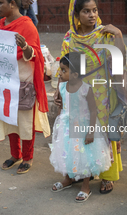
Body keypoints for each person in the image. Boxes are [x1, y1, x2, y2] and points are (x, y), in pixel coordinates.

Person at [54, 0, 126, 195]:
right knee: (80, 130)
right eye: (86, 11)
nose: (92, 15)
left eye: (95, 10)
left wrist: (119, 35)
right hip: (78, 91)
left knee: (102, 129)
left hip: (102, 90)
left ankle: (106, 174)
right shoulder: (69, 38)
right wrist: (60, 89)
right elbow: (65, 66)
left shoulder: (105, 34)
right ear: (76, 14)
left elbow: (119, 62)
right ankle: (83, 168)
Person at [0, 0, 50, 173]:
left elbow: (35, 54)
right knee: (9, 120)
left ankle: (28, 157)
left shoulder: (27, 25)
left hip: (23, 80)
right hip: (5, 83)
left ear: (12, 3)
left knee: (25, 121)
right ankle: (15, 154)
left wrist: (25, 46)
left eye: (0, 3)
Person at [50, 52, 112, 202]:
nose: (60, 73)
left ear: (75, 74)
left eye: (64, 70)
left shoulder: (86, 89)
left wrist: (91, 131)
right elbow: (63, 108)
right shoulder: (63, 87)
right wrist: (58, 125)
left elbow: (93, 110)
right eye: (60, 69)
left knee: (85, 156)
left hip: (83, 128)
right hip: (66, 127)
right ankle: (68, 178)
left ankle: (85, 185)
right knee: (67, 152)